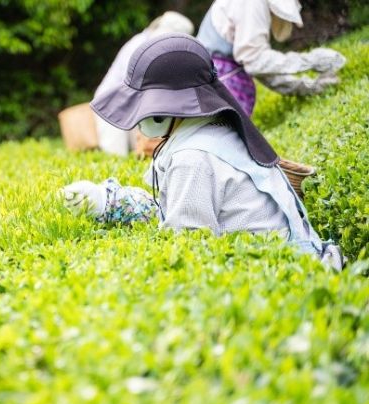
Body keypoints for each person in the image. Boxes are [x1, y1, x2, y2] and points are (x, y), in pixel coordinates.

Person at [63, 33, 343, 270]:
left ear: (170, 108)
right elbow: (168, 209)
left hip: (288, 273)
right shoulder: (213, 131)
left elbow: (184, 246)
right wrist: (107, 200)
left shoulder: (193, 159)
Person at [195, 0, 346, 116]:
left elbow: (261, 67)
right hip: (212, 80)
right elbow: (256, 62)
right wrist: (311, 61)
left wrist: (307, 87)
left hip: (211, 75)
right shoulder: (250, 3)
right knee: (228, 133)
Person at [93, 11, 195, 156]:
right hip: (112, 101)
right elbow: (138, 87)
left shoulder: (160, 50)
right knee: (115, 154)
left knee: (141, 154)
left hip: (134, 104)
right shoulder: (138, 45)